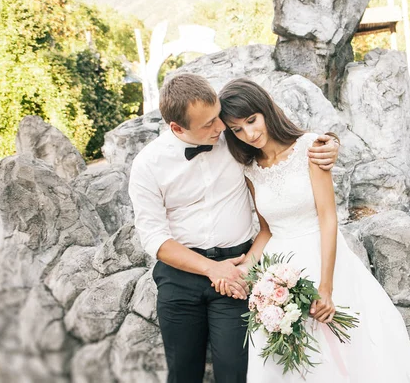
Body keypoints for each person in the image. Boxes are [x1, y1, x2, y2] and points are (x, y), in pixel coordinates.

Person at [128, 73, 340, 383]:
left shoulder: (236, 139)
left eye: (218, 117)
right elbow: (154, 238)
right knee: (183, 373)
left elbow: (284, 144)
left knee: (238, 371)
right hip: (180, 278)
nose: (220, 127)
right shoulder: (147, 164)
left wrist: (331, 143)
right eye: (208, 124)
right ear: (177, 128)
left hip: (239, 270)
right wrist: (214, 270)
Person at [217, 78, 410, 383]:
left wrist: (326, 287)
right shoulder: (249, 168)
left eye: (252, 120)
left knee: (353, 352)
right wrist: (245, 267)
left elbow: (328, 219)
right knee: (298, 360)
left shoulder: (311, 148)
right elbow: (266, 230)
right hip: (279, 270)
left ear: (265, 110)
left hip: (325, 257)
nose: (249, 133)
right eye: (237, 129)